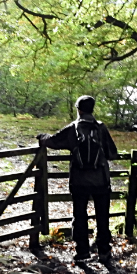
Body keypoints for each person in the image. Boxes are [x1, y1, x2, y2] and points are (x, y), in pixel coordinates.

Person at [36, 95, 118, 264]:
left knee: (80, 215)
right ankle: (104, 252)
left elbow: (52, 141)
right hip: (101, 181)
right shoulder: (101, 128)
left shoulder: (73, 128)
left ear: (79, 109)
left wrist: (42, 137)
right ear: (92, 109)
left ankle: (82, 252)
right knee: (103, 216)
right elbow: (112, 153)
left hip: (79, 181)